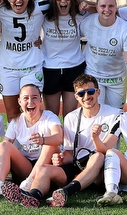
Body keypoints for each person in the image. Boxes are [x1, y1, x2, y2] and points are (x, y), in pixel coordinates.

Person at [38, 74, 122, 207]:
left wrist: (95, 138)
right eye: (81, 93)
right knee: (44, 169)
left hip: (102, 172)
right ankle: (32, 195)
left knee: (98, 156)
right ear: (76, 96)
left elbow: (105, 150)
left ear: (98, 92)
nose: (86, 97)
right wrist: (59, 159)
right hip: (78, 167)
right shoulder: (71, 117)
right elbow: (70, 154)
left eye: (90, 92)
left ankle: (66, 192)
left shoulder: (115, 114)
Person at [0, 84, 63, 200]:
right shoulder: (16, 121)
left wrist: (43, 140)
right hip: (27, 167)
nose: (30, 101)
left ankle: (30, 182)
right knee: (4, 145)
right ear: (19, 101)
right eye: (26, 98)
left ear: (40, 101)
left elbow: (58, 137)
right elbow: (4, 146)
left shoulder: (49, 117)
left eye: (34, 97)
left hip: (47, 166)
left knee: (49, 145)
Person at [0, 0, 45, 123]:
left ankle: (33, 144)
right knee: (12, 115)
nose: (19, 0)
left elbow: (68, 2)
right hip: (7, 68)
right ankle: (15, 146)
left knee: (32, 112)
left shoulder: (40, 7)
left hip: (32, 68)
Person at [81, 0, 127, 109]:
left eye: (111, 6)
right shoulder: (87, 22)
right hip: (93, 77)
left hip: (117, 79)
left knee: (115, 115)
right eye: (103, 6)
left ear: (116, 7)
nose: (107, 9)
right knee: (94, 112)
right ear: (96, 8)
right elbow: (71, 37)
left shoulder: (125, 29)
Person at [41, 0, 86, 118]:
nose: (63, 1)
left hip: (74, 68)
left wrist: (81, 2)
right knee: (51, 117)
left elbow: (101, 6)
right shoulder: (45, 15)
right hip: (50, 69)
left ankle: (69, 140)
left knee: (70, 117)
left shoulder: (80, 15)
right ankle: (54, 140)